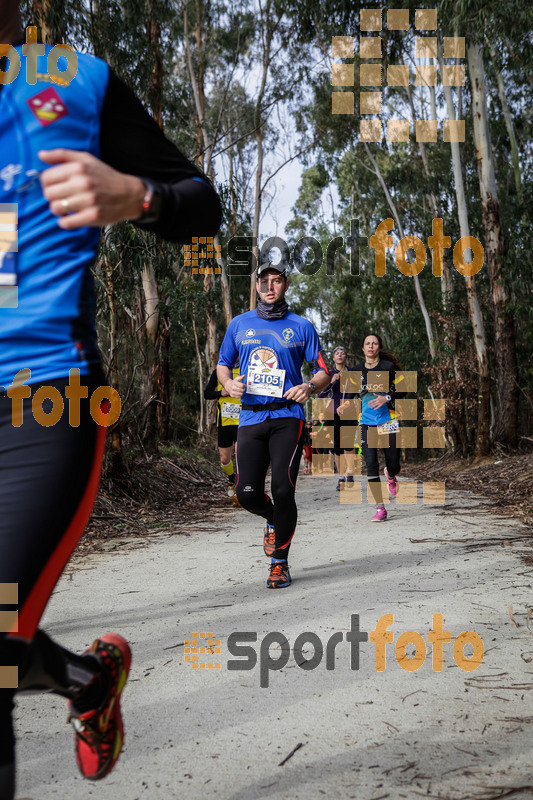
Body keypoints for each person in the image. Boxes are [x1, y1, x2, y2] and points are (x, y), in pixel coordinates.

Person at [0, 5, 222, 799]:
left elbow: (202, 201)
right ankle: (88, 684)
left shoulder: (74, 84)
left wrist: (137, 196)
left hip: (43, 402)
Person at [216, 262, 332, 588]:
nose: (270, 286)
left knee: (283, 489)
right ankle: (272, 519)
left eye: (276, 280)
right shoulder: (239, 325)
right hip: (251, 416)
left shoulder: (302, 326)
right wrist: (228, 385)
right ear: (256, 286)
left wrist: (310, 386)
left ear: (286, 285)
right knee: (246, 493)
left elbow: (324, 371)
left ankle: (279, 563)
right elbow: (223, 365)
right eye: (264, 281)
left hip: (288, 418)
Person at [352, 333, 405, 522]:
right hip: (366, 423)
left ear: (379, 348)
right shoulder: (356, 370)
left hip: (388, 420)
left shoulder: (388, 367)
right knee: (371, 465)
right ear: (363, 348)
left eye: (374, 343)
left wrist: (386, 397)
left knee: (394, 463)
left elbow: (404, 387)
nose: (371, 346)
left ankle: (391, 475)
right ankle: (380, 508)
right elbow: (349, 393)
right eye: (367, 343)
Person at [318, 345, 358, 491]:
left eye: (342, 353)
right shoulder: (328, 374)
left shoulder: (352, 373)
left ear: (345, 357)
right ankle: (341, 477)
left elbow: (359, 390)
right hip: (332, 413)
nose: (340, 355)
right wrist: (332, 381)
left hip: (350, 412)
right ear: (334, 357)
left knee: (348, 444)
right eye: (337, 353)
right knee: (337, 447)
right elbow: (320, 395)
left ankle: (350, 472)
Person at [203, 366, 241, 499]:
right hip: (224, 423)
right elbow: (206, 393)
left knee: (241, 453)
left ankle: (241, 486)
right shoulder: (219, 372)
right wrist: (221, 393)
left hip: (243, 422)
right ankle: (232, 478)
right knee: (225, 459)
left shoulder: (247, 370)